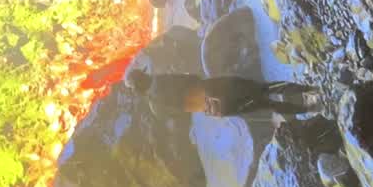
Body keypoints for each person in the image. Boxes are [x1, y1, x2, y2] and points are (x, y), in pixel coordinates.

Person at [124, 68, 319, 118]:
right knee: (263, 88)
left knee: (266, 104)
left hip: (214, 109)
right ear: (143, 76)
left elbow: (179, 115)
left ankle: (308, 108)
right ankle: (308, 90)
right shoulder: (159, 80)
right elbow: (190, 79)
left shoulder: (155, 104)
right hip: (216, 89)